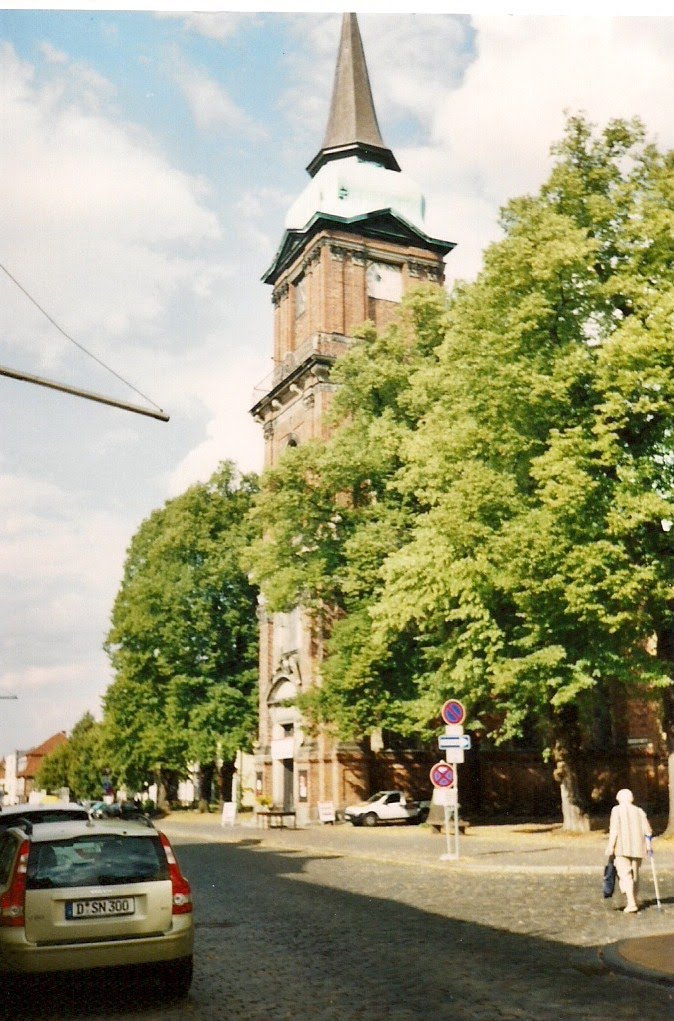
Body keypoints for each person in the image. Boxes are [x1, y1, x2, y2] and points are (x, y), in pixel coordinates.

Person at [606, 788, 653, 913]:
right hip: (638, 848)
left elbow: (614, 830)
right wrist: (648, 846)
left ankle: (631, 902)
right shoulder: (640, 811)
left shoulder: (616, 810)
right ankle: (634, 899)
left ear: (620, 799)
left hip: (621, 847)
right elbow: (648, 831)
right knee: (635, 875)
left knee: (625, 875)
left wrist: (610, 846)